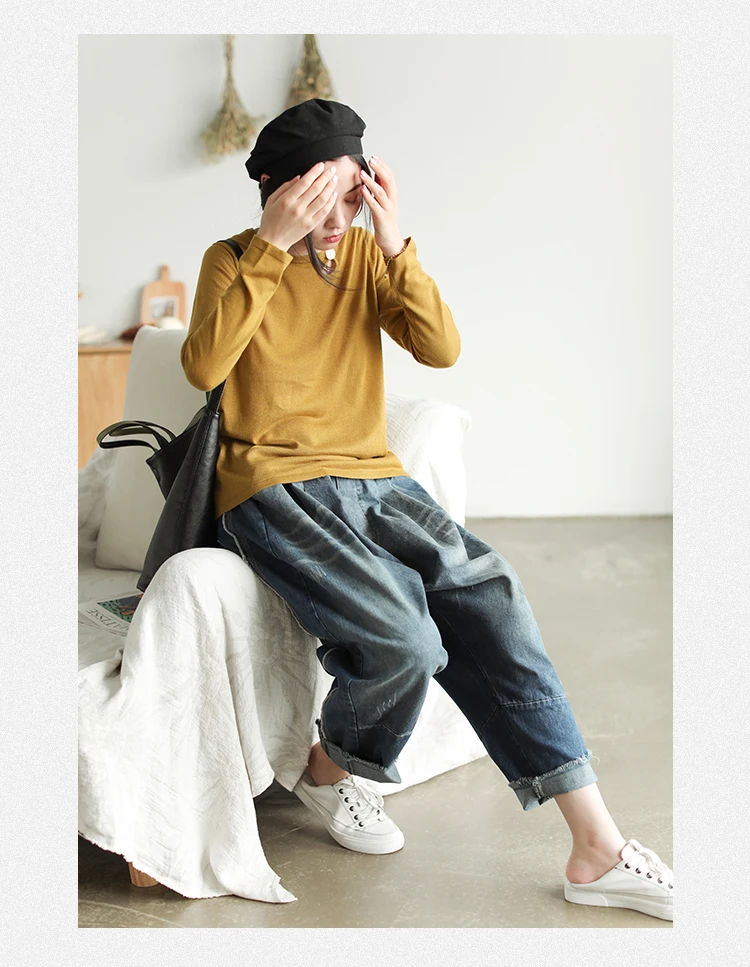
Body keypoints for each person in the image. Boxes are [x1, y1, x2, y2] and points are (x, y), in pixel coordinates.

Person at [180, 98, 673, 921]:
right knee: (404, 639)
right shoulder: (232, 259)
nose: (336, 215)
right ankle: (334, 768)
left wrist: (391, 241)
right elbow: (204, 367)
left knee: (495, 594)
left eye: (351, 194)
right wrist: (270, 244)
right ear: (277, 189)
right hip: (271, 485)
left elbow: (440, 346)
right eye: (319, 195)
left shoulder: (366, 257)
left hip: (376, 479)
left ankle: (596, 847)